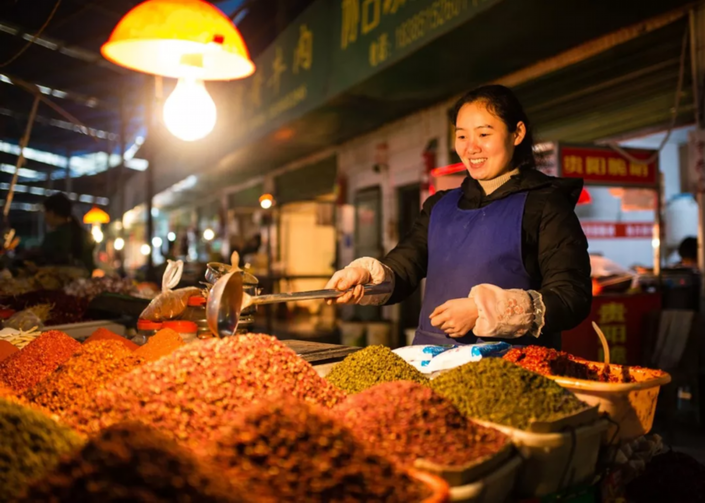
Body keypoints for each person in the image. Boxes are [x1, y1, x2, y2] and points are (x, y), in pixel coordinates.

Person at [326, 85, 592, 349]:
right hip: (433, 366)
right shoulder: (440, 206)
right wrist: (364, 276)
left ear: (517, 133)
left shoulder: (545, 205)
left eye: (484, 134)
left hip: (511, 372)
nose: (471, 148)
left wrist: (483, 311)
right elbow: (404, 267)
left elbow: (570, 297)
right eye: (462, 136)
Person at [38, 193, 95, 271]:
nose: (45, 217)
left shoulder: (53, 238)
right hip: (85, 281)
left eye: (45, 212)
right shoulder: (86, 235)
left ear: (52, 213)